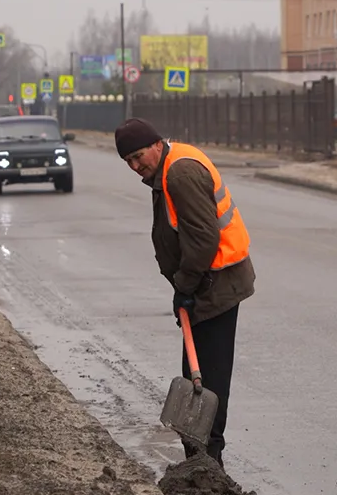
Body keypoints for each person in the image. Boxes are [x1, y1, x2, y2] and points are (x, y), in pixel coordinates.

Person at [113, 117, 256, 469]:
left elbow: (204, 239)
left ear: (156, 144)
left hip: (215, 284)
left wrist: (186, 286)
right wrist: (184, 288)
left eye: (138, 156)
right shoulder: (167, 169)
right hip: (205, 283)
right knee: (198, 374)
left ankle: (208, 463)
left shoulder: (179, 173)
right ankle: (201, 459)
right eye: (128, 161)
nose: (135, 166)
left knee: (208, 379)